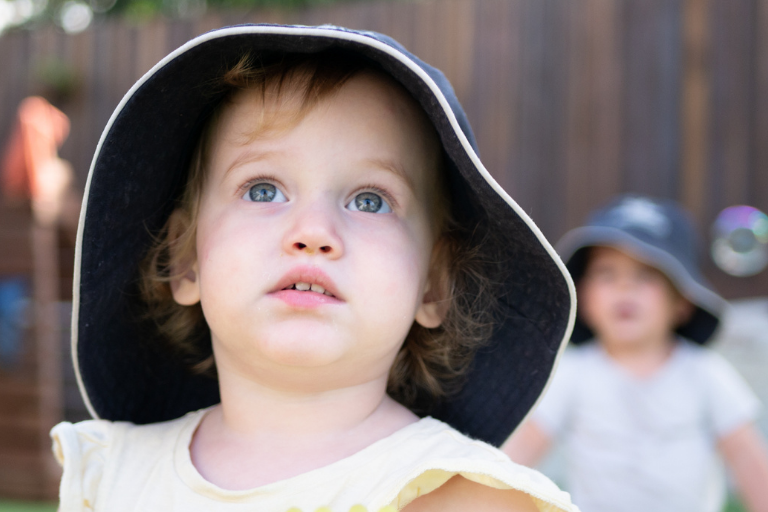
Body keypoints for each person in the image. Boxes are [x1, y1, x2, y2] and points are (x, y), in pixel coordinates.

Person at [50, 25, 581, 512]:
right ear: (185, 259)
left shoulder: (459, 495)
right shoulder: (112, 478)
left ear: (434, 284)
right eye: (263, 190)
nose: (314, 231)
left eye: (370, 200)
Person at [503, 195, 768, 512]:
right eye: (607, 273)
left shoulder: (704, 372)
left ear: (683, 300)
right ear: (583, 297)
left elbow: (751, 465)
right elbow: (513, 462)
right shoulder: (574, 373)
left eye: (646, 275)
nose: (625, 287)